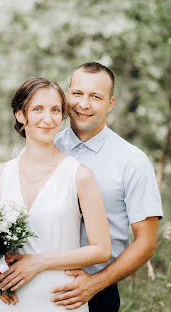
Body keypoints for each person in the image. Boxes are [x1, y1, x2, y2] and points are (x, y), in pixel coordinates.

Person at [0, 77, 111, 312]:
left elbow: (102, 249)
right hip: (10, 299)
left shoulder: (79, 175)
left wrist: (38, 262)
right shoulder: (0, 174)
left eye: (55, 110)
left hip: (61, 298)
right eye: (38, 109)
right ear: (21, 115)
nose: (47, 119)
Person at [50, 62, 163, 312]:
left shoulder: (133, 161)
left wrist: (94, 284)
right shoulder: (46, 145)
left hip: (97, 293)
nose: (83, 104)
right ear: (67, 94)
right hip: (39, 284)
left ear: (110, 104)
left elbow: (146, 243)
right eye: (77, 93)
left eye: (96, 97)